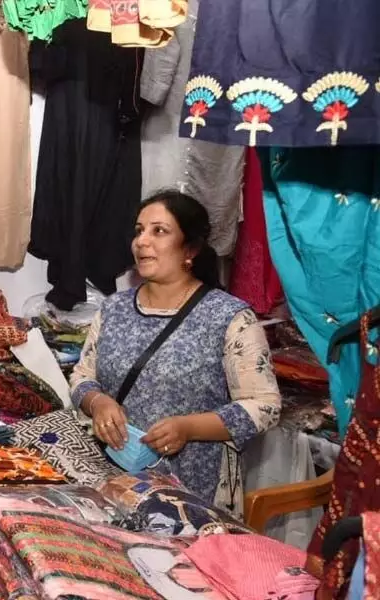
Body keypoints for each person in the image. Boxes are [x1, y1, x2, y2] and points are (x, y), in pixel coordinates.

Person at [70, 190, 282, 513]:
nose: (142, 241)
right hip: (112, 480)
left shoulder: (229, 318)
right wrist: (97, 402)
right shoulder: (113, 309)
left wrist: (189, 427)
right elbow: (82, 376)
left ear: (191, 249)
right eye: (139, 231)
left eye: (159, 231)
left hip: (194, 490)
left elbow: (265, 406)